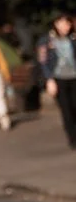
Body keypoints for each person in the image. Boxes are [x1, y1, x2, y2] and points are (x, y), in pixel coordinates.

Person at [40, 12, 76, 147]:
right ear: (55, 24)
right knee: (66, 109)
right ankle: (73, 138)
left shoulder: (73, 38)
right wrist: (49, 79)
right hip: (59, 79)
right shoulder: (47, 40)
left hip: (74, 77)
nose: (65, 27)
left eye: (67, 23)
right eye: (62, 23)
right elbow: (43, 61)